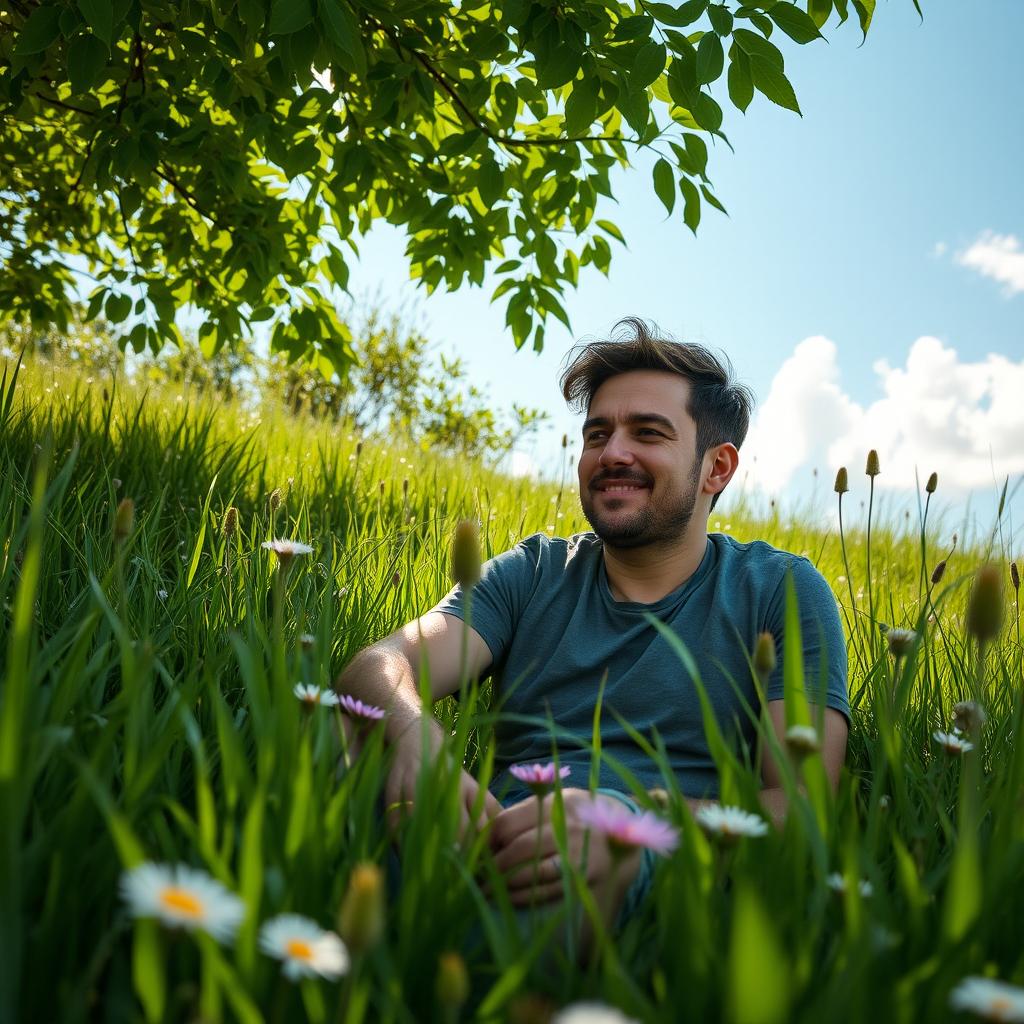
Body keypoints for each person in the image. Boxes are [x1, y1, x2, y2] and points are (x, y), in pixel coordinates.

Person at [336, 317, 849, 924]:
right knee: (335, 731)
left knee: (585, 876)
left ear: (717, 468)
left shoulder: (781, 591)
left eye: (648, 433)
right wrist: (416, 738)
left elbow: (801, 806)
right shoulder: (532, 572)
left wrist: (629, 817)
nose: (612, 454)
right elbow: (378, 666)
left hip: (649, 854)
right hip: (489, 833)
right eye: (597, 434)